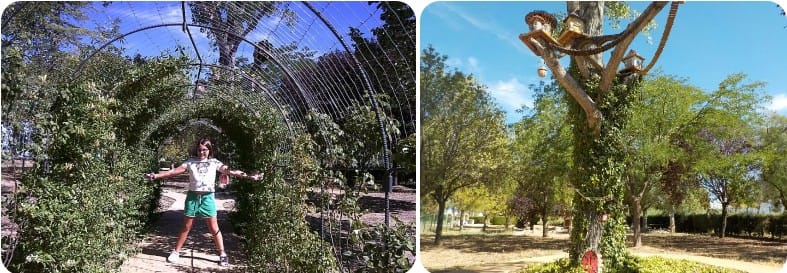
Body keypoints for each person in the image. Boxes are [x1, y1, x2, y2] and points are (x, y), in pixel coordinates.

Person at [144, 138, 261, 267]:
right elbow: (173, 172)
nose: (201, 152)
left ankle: (222, 254)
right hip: (192, 198)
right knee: (186, 227)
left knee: (213, 228)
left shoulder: (214, 163)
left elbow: (231, 171)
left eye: (204, 150)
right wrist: (156, 176)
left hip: (208, 198)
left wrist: (249, 176)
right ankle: (176, 252)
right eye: (199, 150)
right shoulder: (190, 162)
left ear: (209, 150)